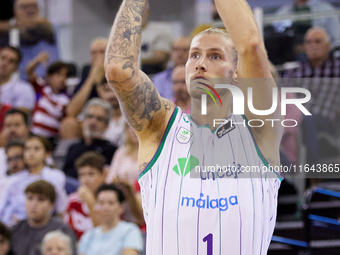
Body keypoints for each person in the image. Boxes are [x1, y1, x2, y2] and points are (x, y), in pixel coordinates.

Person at [105, 0, 283, 254]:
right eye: (194, 55)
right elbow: (117, 70)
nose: (200, 63)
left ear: (236, 73)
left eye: (215, 56)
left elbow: (250, 46)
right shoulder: (161, 127)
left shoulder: (260, 128)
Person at [284, 27, 340, 163]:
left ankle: (313, 172)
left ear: (329, 45)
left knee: (306, 120)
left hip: (327, 121)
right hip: (298, 120)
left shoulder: (337, 69)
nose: (312, 45)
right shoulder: (295, 72)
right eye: (308, 42)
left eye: (318, 41)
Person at [0, 136, 67, 227]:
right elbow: (3, 207)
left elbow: (59, 208)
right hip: (12, 226)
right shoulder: (14, 180)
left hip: (44, 224)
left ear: (46, 154)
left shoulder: (56, 176)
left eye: (36, 149)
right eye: (27, 149)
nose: (31, 153)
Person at [10, 180, 77, 255]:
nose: (34, 204)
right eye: (30, 198)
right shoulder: (15, 230)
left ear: (52, 205)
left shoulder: (62, 230)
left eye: (41, 199)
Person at [0, 0, 59, 80]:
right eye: (25, 7)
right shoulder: (8, 34)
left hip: (46, 83)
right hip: (18, 83)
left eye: (34, 6)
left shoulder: (47, 28)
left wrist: (14, 25)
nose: (30, 10)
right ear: (15, 11)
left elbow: (34, 28)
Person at [78, 184, 143, 255]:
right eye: (101, 203)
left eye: (111, 203)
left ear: (121, 207)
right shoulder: (88, 236)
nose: (105, 208)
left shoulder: (130, 230)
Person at [63, 99, 117, 179]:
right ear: (83, 121)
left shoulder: (111, 150)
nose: (93, 122)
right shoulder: (73, 148)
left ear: (107, 126)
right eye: (90, 116)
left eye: (99, 119)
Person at [26, 53, 71, 140]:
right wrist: (38, 60)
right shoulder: (42, 88)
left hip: (51, 139)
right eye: (58, 75)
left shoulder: (67, 99)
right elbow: (29, 71)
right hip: (34, 134)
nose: (62, 79)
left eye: (65, 76)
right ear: (49, 77)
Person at [64, 151, 107, 240]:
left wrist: (90, 202)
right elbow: (68, 233)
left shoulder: (110, 200)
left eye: (91, 174)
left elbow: (105, 235)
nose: (85, 180)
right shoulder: (72, 200)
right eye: (82, 175)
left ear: (103, 175)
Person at [275, 0, 340, 47]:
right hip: (292, 56)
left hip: (324, 57)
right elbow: (275, 33)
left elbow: (337, 38)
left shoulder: (326, 9)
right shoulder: (285, 11)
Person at [0, 47, 36, 113]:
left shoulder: (24, 89)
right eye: (3, 58)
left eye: (11, 61)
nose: (5, 63)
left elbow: (17, 120)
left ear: (16, 69)